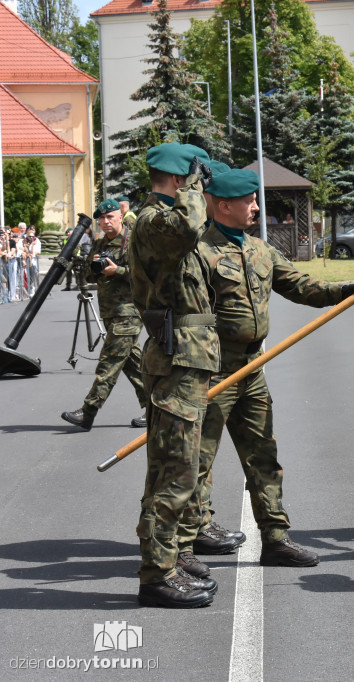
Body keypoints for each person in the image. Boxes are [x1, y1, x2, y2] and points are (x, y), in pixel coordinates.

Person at [174, 168, 354, 572]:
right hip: (211, 371)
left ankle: (276, 538)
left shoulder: (260, 250)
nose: (256, 207)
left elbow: (301, 285)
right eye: (249, 201)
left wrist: (345, 290)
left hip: (252, 368)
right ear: (223, 205)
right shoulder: (198, 253)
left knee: (264, 456)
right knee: (194, 463)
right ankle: (181, 548)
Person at [128, 141, 219, 608]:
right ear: (179, 179)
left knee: (174, 467)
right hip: (176, 359)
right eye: (192, 178)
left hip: (189, 358)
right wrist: (196, 185)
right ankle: (156, 575)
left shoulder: (164, 222)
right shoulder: (154, 221)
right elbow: (187, 226)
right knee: (175, 473)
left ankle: (168, 558)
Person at [60, 199, 148, 431]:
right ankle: (157, 408)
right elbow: (89, 278)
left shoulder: (134, 242)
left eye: (110, 217)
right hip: (109, 313)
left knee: (108, 363)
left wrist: (116, 270)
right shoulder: (99, 245)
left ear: (120, 216)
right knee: (133, 364)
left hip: (129, 312)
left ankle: (88, 411)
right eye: (101, 218)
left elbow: (147, 275)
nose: (105, 222)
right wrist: (92, 265)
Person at [24, 226, 40, 297]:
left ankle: (35, 288)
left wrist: (32, 254)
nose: (31, 232)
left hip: (33, 260)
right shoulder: (24, 239)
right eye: (30, 230)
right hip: (26, 260)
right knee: (27, 275)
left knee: (34, 274)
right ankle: (29, 289)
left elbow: (37, 251)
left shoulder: (37, 240)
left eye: (33, 230)